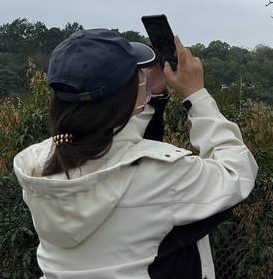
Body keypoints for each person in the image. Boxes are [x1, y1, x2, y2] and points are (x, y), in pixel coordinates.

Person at [13, 28, 258, 278]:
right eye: (136, 76)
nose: (142, 76)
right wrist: (197, 95)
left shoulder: (39, 165)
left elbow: (112, 144)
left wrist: (150, 97)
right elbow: (237, 171)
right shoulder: (163, 174)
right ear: (124, 97)